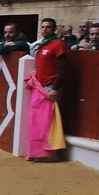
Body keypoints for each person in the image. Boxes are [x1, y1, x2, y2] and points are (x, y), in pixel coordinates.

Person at [25, 18, 68, 162]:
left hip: (50, 87)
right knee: (39, 121)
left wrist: (55, 88)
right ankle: (40, 153)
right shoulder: (42, 45)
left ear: (54, 29)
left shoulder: (58, 44)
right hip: (41, 86)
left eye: (48, 27)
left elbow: (63, 68)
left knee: (50, 122)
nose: (44, 30)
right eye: (42, 27)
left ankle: (52, 154)